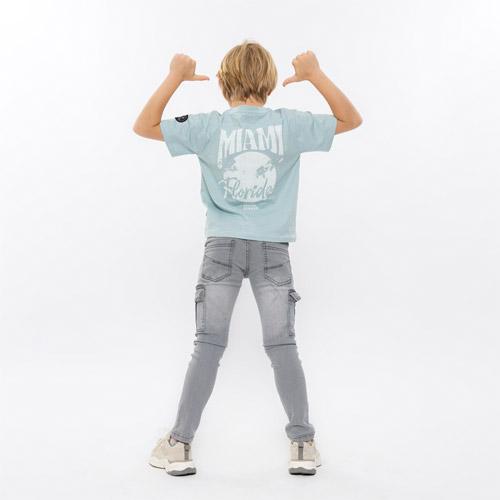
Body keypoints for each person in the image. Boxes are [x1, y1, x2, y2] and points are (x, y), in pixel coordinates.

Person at [133, 40, 362, 476]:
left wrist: (175, 76)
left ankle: (179, 445)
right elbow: (351, 119)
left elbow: (144, 125)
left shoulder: (208, 126)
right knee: (282, 345)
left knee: (207, 345)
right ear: (271, 82)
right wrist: (314, 75)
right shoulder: (288, 125)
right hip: (273, 249)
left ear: (222, 82)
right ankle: (302, 444)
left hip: (221, 246)